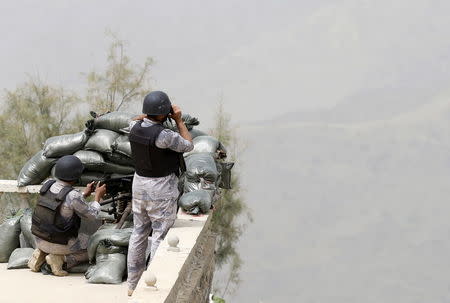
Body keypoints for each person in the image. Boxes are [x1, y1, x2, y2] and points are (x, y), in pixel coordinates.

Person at [127, 91, 194, 296]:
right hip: (161, 189)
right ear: (164, 113)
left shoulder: (133, 127)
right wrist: (179, 121)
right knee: (159, 235)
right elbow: (188, 145)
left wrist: (146, 117)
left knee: (138, 233)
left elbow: (136, 120)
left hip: (139, 185)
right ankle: (151, 284)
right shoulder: (164, 136)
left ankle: (132, 284)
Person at [28, 155, 107, 276]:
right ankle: (61, 259)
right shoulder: (73, 195)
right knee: (93, 246)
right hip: (59, 243)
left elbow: (63, 203)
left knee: (55, 239)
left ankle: (42, 253)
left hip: (40, 239)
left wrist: (84, 194)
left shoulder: (47, 185)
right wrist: (97, 196)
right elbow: (92, 215)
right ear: (76, 176)